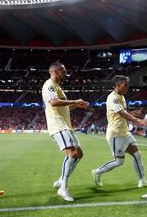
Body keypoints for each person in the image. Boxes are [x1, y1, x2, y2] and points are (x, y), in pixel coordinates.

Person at [42, 62, 90, 201]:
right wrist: (75, 100)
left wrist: (77, 105)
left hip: (66, 125)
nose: (65, 73)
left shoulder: (58, 87)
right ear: (56, 72)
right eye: (63, 71)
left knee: (79, 154)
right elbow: (53, 103)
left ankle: (61, 180)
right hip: (57, 125)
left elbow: (65, 108)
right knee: (72, 153)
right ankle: (63, 188)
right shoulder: (49, 85)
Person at [91, 75, 147, 188]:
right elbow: (122, 113)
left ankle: (142, 180)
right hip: (115, 134)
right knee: (119, 161)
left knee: (137, 154)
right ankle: (97, 172)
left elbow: (122, 112)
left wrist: (132, 113)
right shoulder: (112, 97)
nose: (127, 87)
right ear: (117, 85)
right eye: (125, 85)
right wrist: (138, 120)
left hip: (125, 132)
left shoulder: (121, 97)